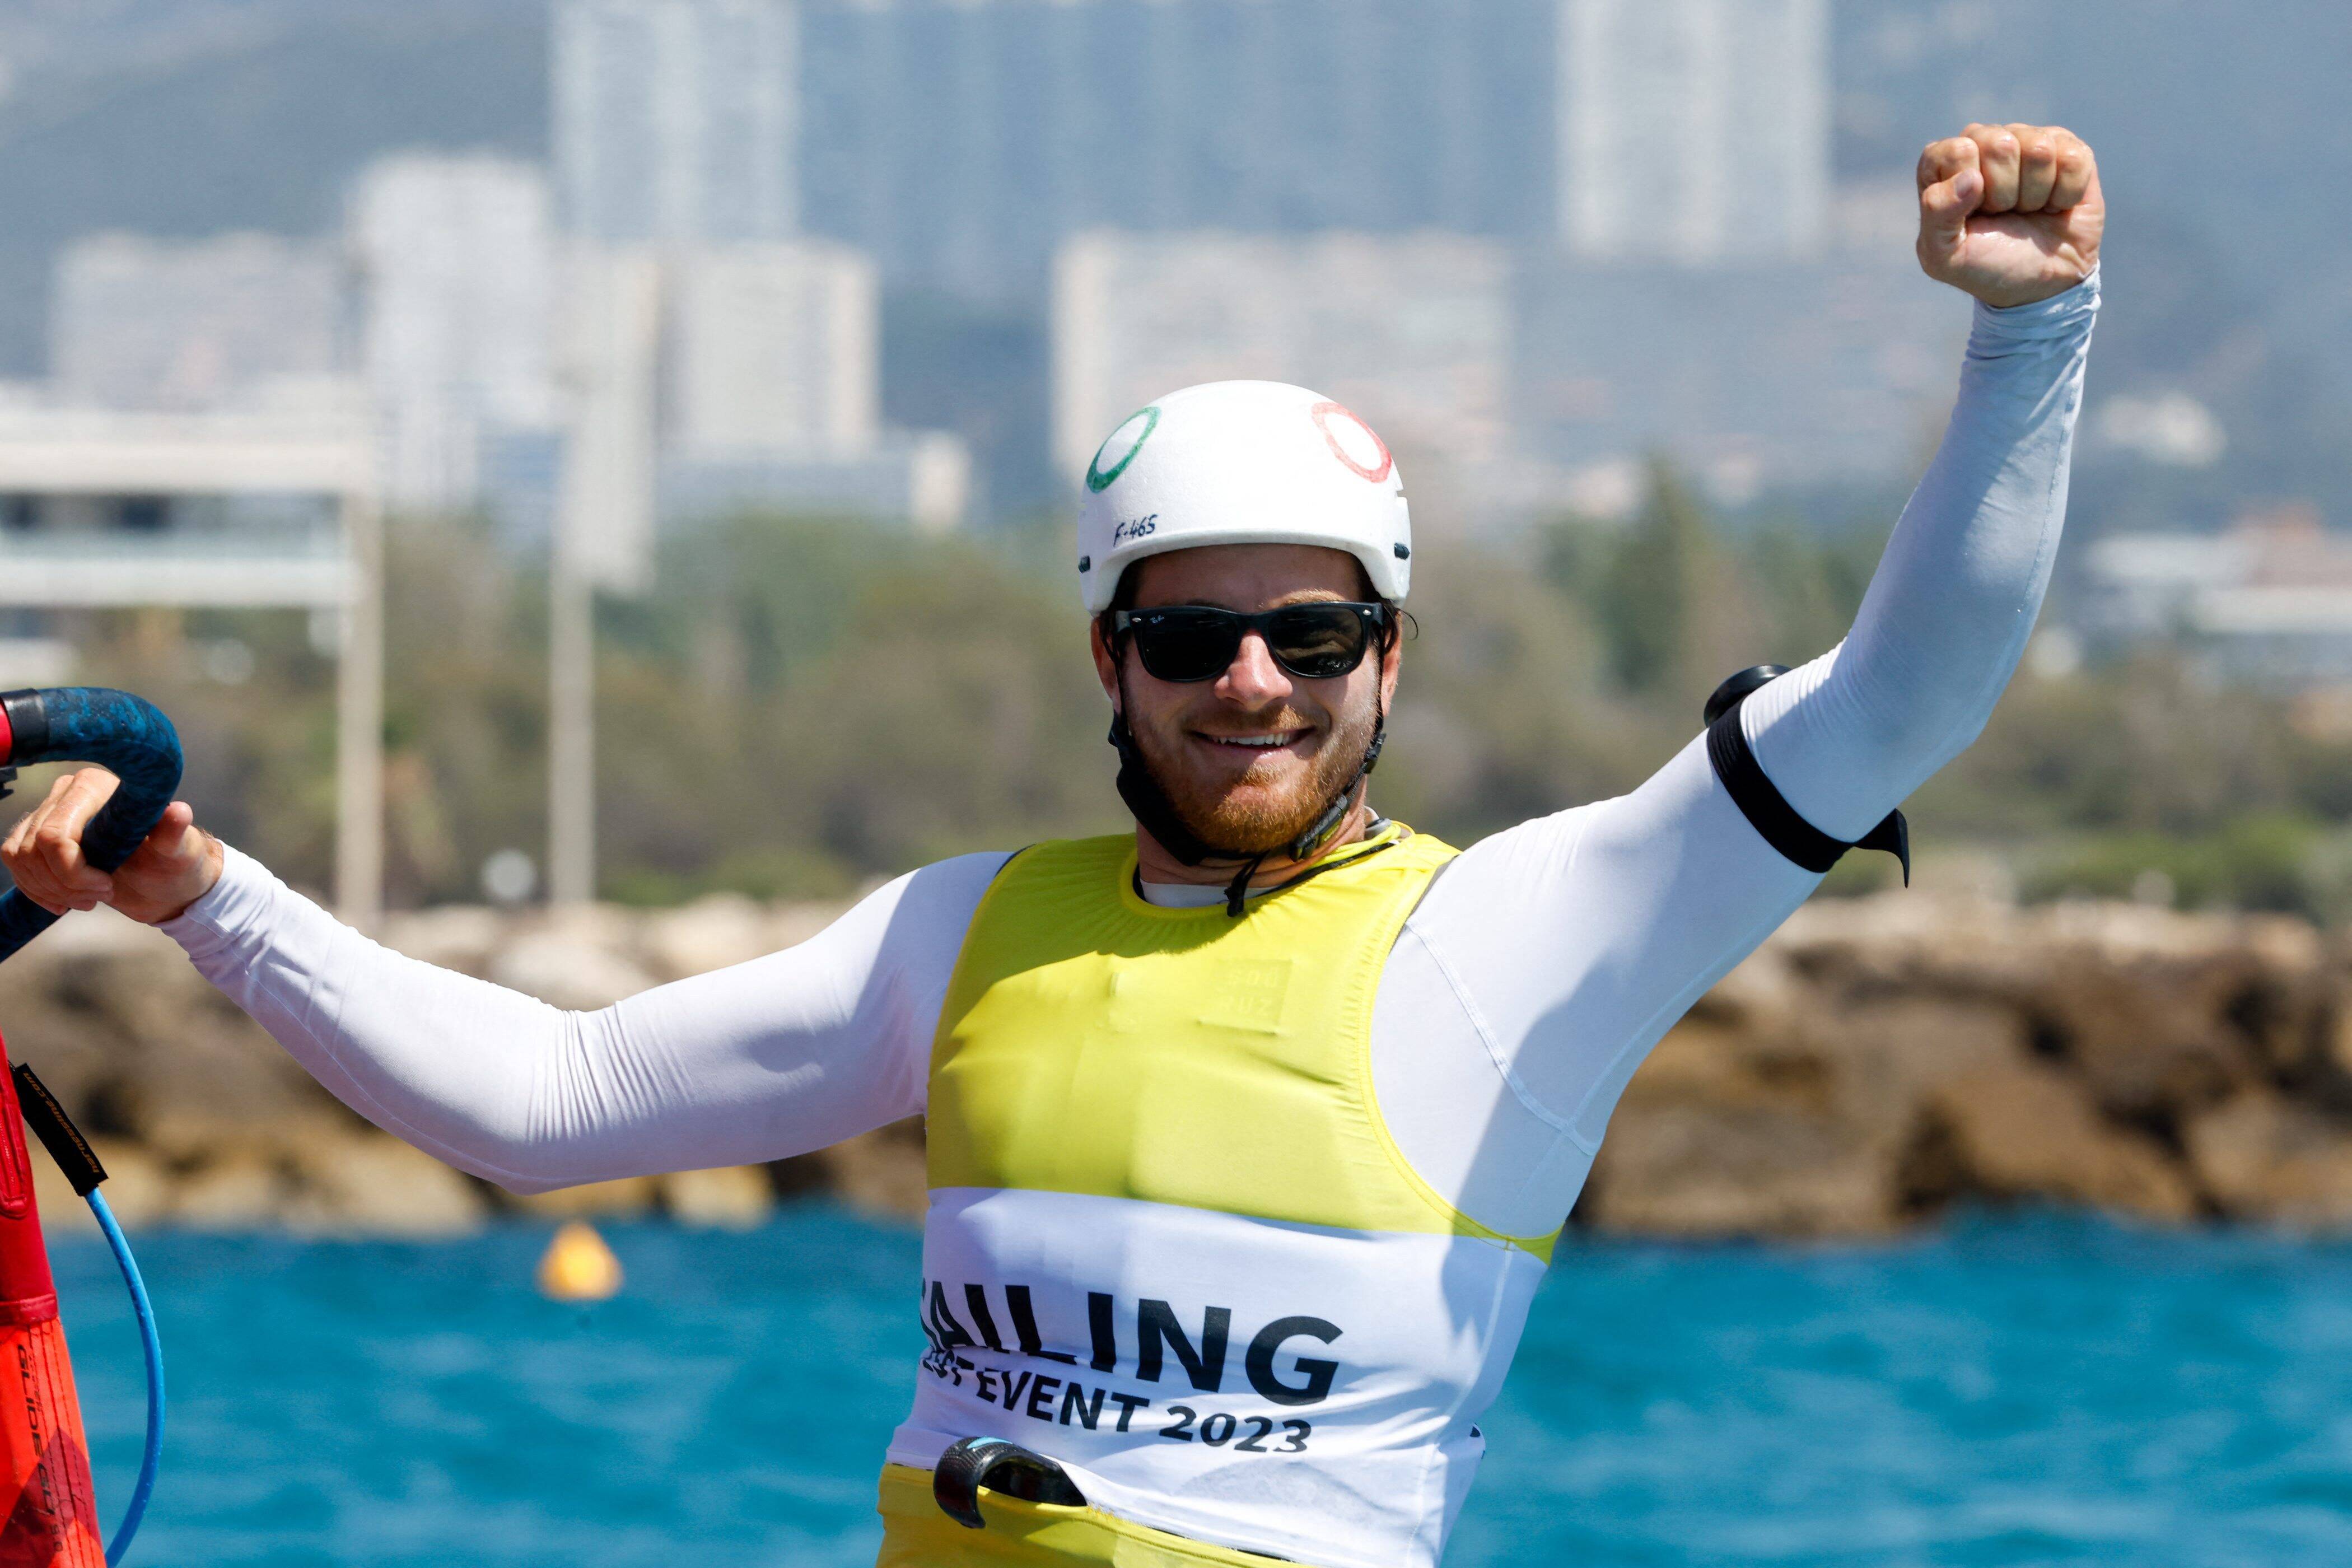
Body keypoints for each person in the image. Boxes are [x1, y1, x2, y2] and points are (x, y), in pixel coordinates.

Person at [3, 123, 2102, 1568]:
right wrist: (206, 895)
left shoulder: (1530, 935)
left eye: (1312, 636)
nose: (1253, 684)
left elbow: (1898, 701)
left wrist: (2029, 334)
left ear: (1388, 657)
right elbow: (546, 1107)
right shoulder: (968, 936)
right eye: (1191, 636)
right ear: (1111, 655)